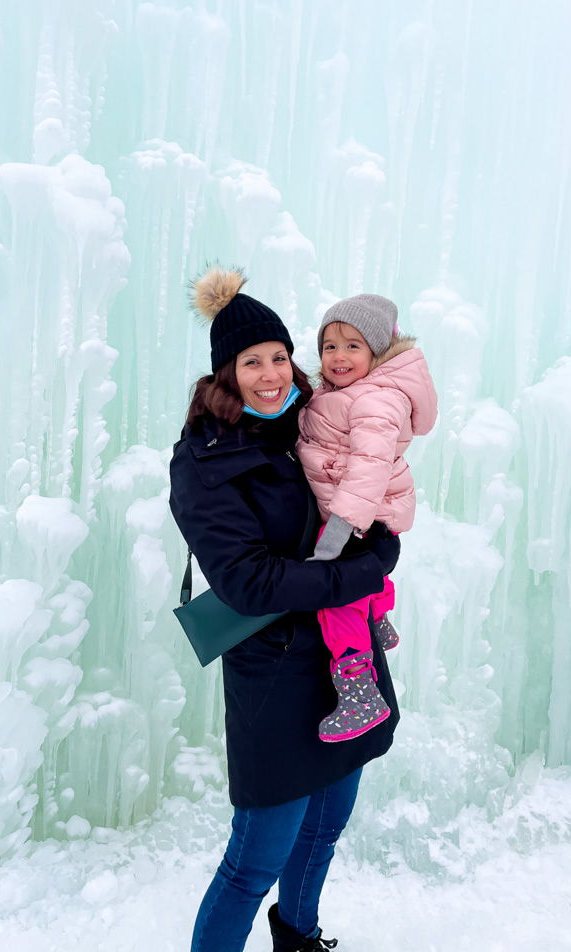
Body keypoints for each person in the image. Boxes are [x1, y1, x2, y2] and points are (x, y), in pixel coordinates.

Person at [169, 266, 401, 952]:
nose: (271, 374)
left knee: (325, 829)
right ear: (224, 374)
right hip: (274, 674)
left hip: (343, 664)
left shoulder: (311, 421)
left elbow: (371, 477)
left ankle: (298, 939)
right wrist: (363, 571)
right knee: (252, 865)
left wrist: (379, 538)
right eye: (251, 362)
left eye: (279, 357)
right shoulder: (203, 461)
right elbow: (248, 583)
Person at [295, 296, 438, 742]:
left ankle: (360, 693)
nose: (338, 357)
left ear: (376, 353)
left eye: (353, 346)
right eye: (329, 346)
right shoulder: (346, 393)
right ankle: (378, 616)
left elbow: (369, 468)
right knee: (357, 589)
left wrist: (337, 532)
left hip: (359, 520)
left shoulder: (377, 399)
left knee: (335, 598)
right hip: (366, 518)